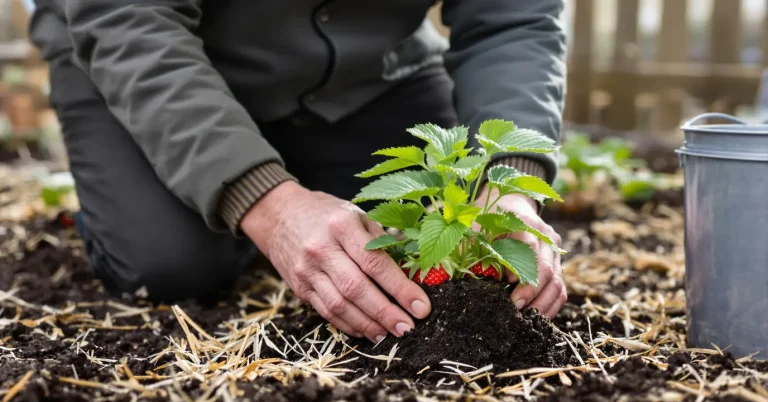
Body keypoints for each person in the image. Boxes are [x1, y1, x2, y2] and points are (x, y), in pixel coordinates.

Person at [28, 0, 568, 344]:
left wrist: (508, 184)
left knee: (429, 228)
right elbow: (129, 21)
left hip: (369, 69)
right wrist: (268, 204)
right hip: (150, 52)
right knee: (170, 264)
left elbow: (516, 18)